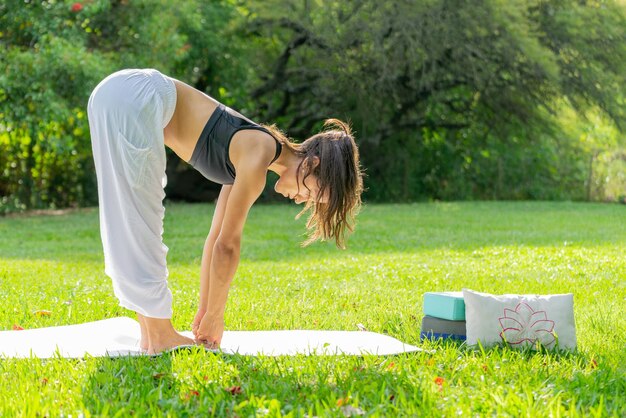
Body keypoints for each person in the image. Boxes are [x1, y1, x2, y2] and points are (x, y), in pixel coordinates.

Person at [87, 68, 363, 354]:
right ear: (311, 164)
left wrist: (206, 312)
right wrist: (216, 317)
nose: (302, 200)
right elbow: (228, 247)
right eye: (314, 193)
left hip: (121, 94)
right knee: (139, 216)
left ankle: (151, 333)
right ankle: (159, 336)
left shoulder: (255, 152)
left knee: (129, 214)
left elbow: (215, 238)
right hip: (136, 95)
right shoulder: (259, 153)